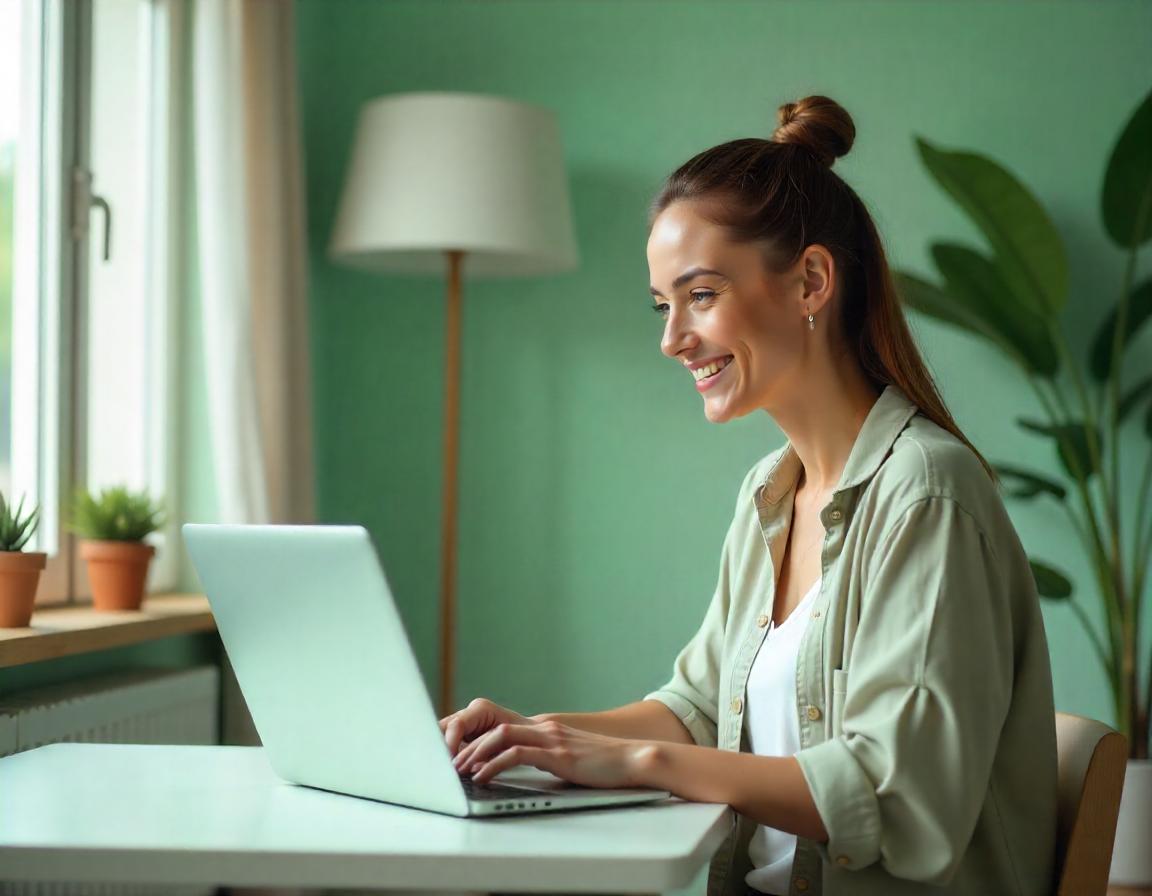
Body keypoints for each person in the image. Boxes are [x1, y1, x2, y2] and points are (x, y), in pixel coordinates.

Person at [438, 95, 1057, 896]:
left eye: (700, 296)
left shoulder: (926, 495)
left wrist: (642, 763)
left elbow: (901, 794)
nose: (672, 339)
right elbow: (699, 707)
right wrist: (535, 734)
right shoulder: (770, 490)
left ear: (810, 281)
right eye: (664, 305)